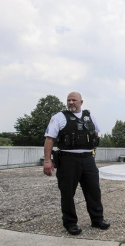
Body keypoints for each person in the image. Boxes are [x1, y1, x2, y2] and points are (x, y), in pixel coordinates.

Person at [43, 92, 110, 235]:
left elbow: (96, 133)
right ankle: (70, 223)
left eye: (74, 100)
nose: (71, 102)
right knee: (67, 193)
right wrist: (48, 161)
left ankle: (97, 219)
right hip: (68, 160)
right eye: (69, 100)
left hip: (88, 159)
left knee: (94, 191)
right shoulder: (59, 117)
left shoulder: (89, 116)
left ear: (81, 102)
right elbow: (49, 139)